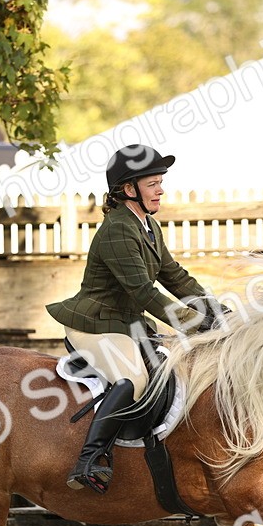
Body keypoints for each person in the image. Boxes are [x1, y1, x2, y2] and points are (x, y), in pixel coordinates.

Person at [46, 145, 226, 494]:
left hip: (128, 323)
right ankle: (89, 460)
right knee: (131, 380)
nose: (161, 189)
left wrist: (215, 311)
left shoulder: (147, 226)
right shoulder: (117, 230)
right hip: (95, 323)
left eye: (161, 182)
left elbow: (174, 276)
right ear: (129, 189)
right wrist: (195, 324)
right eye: (153, 183)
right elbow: (145, 292)